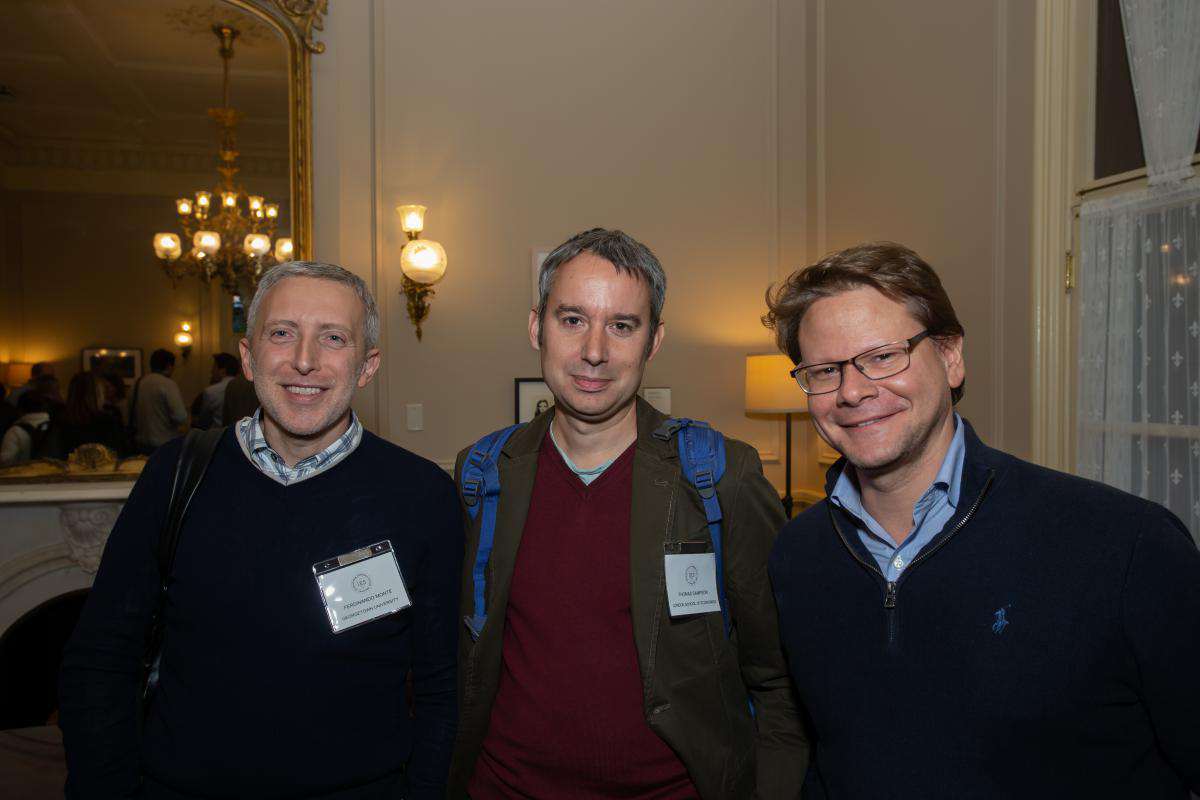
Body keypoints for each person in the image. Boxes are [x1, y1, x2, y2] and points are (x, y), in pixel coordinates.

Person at [764, 242, 1200, 798]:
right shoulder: (798, 554)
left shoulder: (1127, 546)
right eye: (825, 370)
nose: (853, 391)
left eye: (883, 356)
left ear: (950, 357)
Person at [60, 261, 462, 799]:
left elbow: (441, 685)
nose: (304, 360)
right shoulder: (175, 475)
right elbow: (101, 657)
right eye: (282, 334)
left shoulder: (422, 494)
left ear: (367, 366)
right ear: (248, 358)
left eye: (333, 338)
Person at [449, 228, 808, 799]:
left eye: (622, 325)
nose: (594, 351)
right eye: (572, 320)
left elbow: (776, 680)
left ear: (653, 341)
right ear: (536, 327)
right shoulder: (484, 473)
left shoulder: (721, 478)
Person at [48, 371, 128, 459]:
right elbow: (120, 454)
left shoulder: (60, 420)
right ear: (97, 394)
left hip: (68, 466)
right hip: (105, 467)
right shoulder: (108, 421)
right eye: (102, 391)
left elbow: (54, 455)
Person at [130, 349, 187, 454]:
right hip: (164, 443)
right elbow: (180, 416)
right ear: (169, 366)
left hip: (140, 443)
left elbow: (130, 412)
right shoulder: (168, 384)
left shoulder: (137, 383)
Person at [0, 390, 52, 465]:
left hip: (23, 471)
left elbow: (5, 461)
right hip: (52, 470)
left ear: (20, 409)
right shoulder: (53, 425)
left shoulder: (15, 431)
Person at [191, 352, 241, 429]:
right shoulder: (244, 387)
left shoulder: (211, 391)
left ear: (222, 371)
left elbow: (203, 421)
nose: (211, 371)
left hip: (218, 433)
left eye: (214, 367)